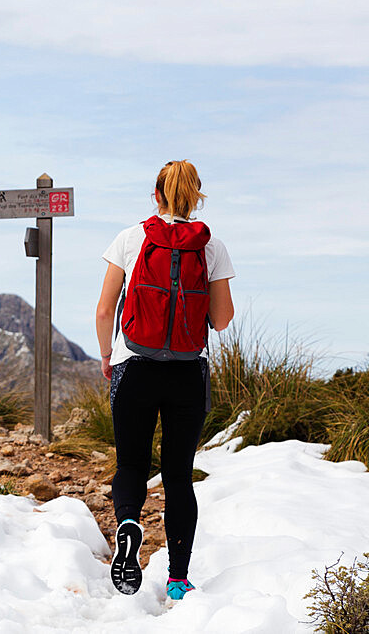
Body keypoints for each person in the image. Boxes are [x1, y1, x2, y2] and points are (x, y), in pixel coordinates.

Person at [94, 160, 235, 600]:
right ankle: (177, 579)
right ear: (196, 198)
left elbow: (103, 310)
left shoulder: (130, 238)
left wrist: (106, 355)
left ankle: (130, 523)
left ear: (155, 195)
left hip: (133, 364)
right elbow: (223, 319)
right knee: (177, 476)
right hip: (187, 373)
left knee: (132, 464)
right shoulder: (211, 247)